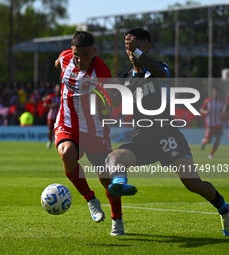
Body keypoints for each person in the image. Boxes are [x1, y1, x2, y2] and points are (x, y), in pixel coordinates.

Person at [105, 27, 229, 236]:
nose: (131, 51)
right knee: (114, 157)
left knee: (192, 183)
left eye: (136, 46)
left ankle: (224, 209)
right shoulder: (125, 78)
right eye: (128, 47)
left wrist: (137, 52)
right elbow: (113, 101)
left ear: (147, 47)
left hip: (168, 136)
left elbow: (163, 75)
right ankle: (120, 184)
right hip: (142, 138)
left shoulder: (158, 68)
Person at [54, 31, 123, 236]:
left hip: (94, 129)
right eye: (76, 54)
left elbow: (115, 101)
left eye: (85, 55)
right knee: (66, 154)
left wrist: (109, 95)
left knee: (105, 178)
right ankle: (91, 199)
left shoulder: (101, 70)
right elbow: (58, 61)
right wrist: (60, 60)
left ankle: (117, 220)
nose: (80, 59)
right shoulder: (66, 57)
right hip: (67, 124)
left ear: (94, 51)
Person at [200, 87, 224, 158]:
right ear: (212, 93)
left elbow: (223, 111)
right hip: (209, 123)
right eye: (214, 92)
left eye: (217, 92)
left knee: (218, 138)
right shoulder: (208, 101)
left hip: (218, 123)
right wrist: (205, 112)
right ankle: (204, 142)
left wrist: (223, 114)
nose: (216, 93)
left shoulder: (221, 102)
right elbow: (201, 109)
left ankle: (211, 154)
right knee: (209, 140)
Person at [43, 84, 60, 149]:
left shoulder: (62, 97)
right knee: (50, 129)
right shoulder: (51, 97)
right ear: (55, 89)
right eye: (57, 88)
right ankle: (50, 141)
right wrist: (51, 106)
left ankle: (57, 143)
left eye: (60, 88)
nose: (59, 90)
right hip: (51, 116)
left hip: (59, 117)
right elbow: (44, 105)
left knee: (58, 131)